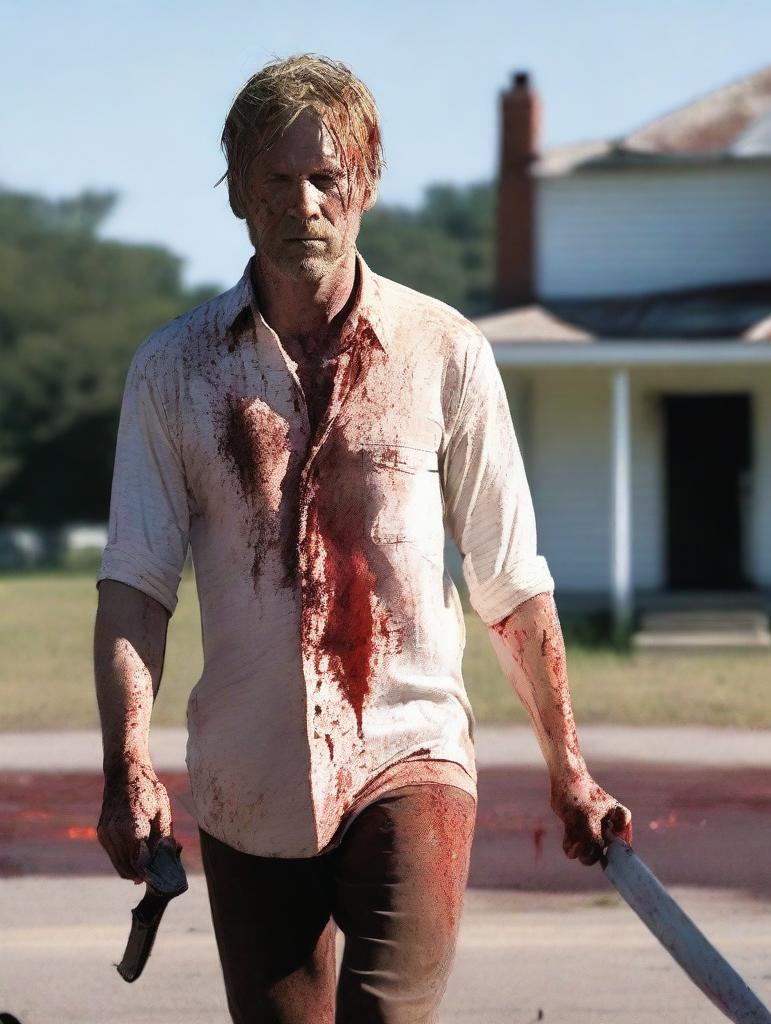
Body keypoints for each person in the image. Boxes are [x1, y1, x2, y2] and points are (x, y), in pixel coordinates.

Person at [93, 54, 632, 1024]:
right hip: (245, 782)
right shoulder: (171, 373)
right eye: (274, 179)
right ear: (238, 198)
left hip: (409, 755)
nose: (302, 202)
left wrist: (571, 770)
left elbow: (511, 584)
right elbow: (135, 585)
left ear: (366, 183)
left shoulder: (445, 353)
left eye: (324, 177)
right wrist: (125, 763)